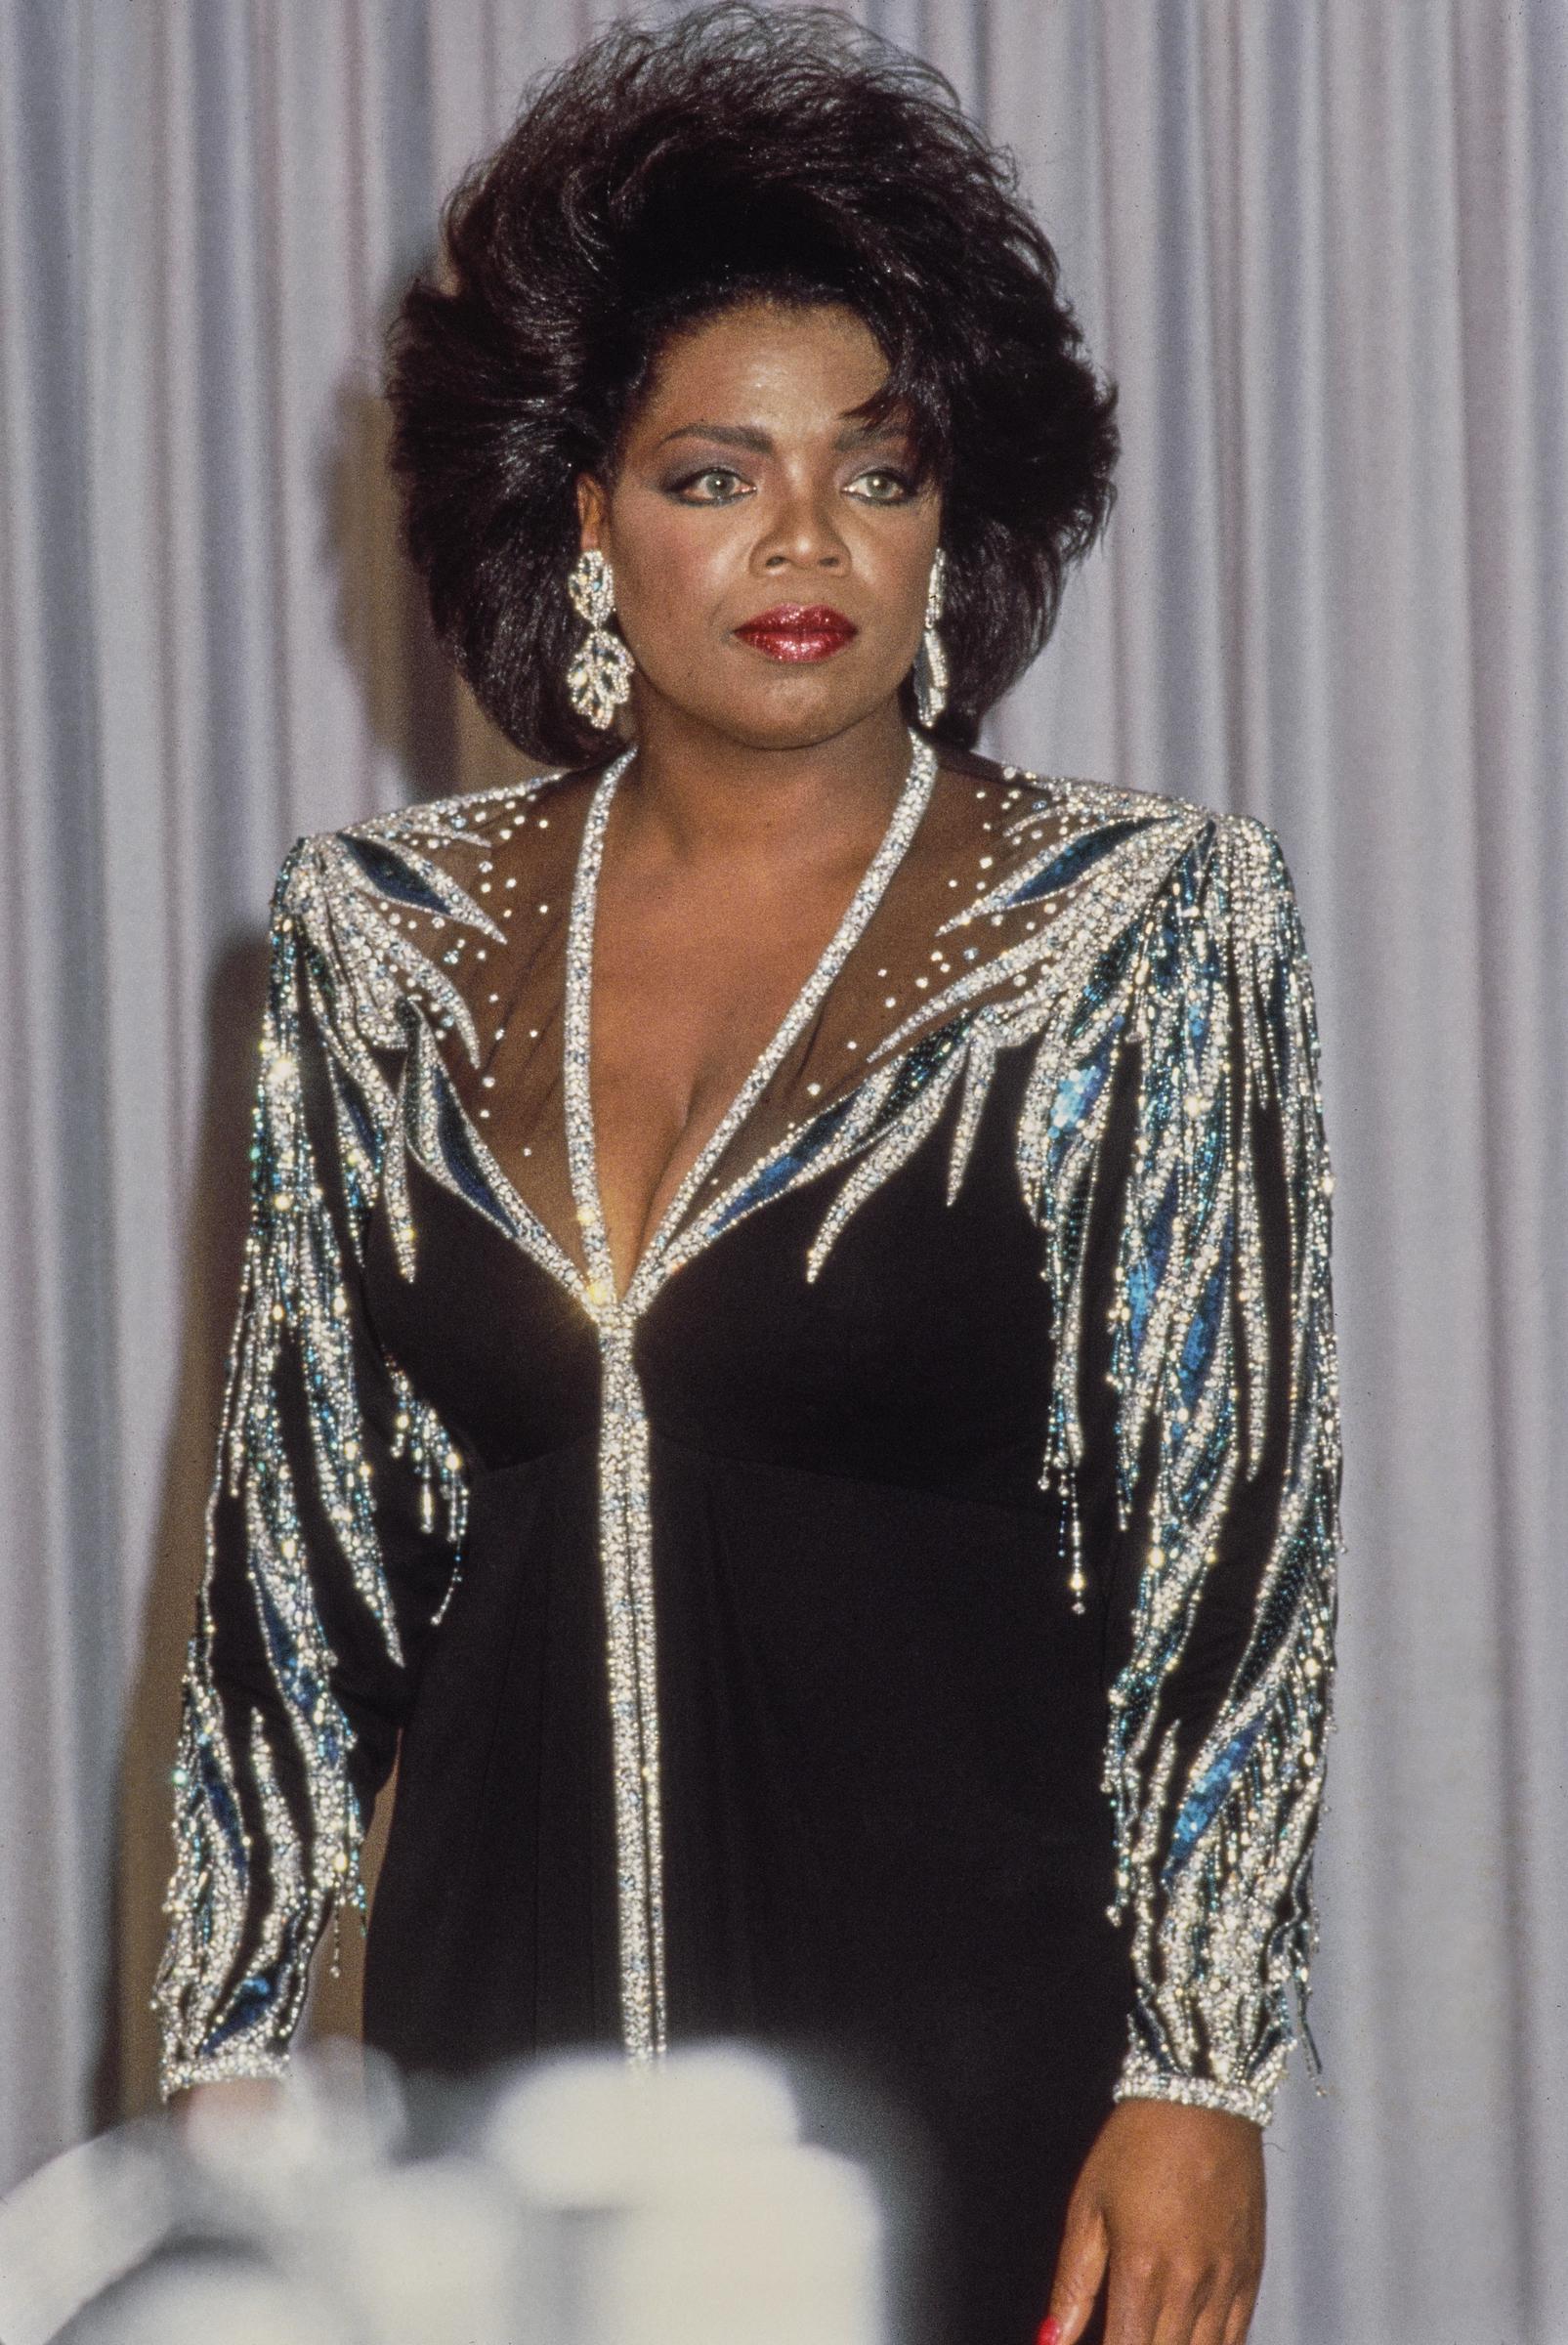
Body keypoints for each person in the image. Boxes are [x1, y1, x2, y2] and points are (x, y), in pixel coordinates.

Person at [151, 11, 1342, 2343]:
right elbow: (288, 1580)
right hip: (496, 2085)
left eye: (873, 474)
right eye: (714, 474)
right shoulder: (379, 943)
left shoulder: (1132, 924)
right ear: (581, 515)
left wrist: (1195, 2065)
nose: (803, 540)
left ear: (951, 518)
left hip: (968, 2075)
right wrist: (224, 2058)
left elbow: (1232, 1549)